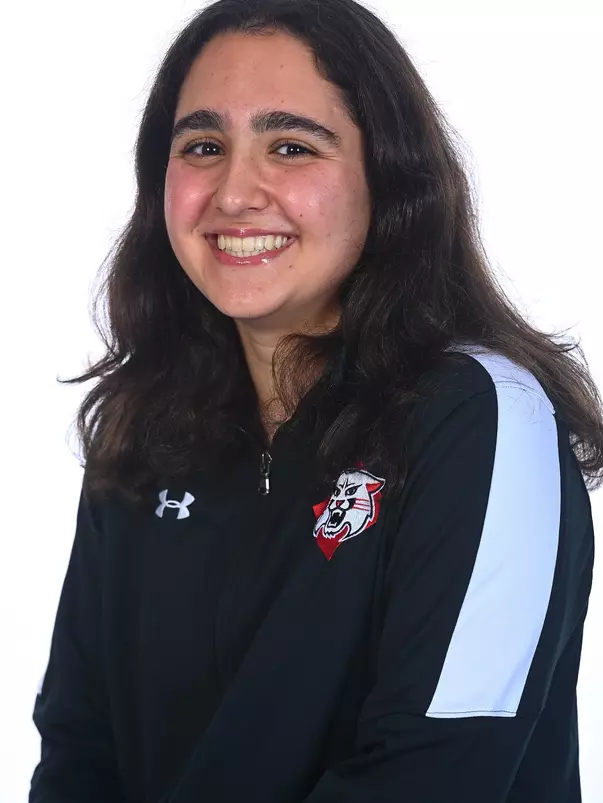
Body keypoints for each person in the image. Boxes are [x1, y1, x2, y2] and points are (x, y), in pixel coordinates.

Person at [29, 0, 602, 801]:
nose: (234, 193)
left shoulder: (481, 416)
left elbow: (435, 773)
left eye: (291, 146)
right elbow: (77, 755)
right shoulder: (142, 432)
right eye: (202, 147)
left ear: (387, 177)